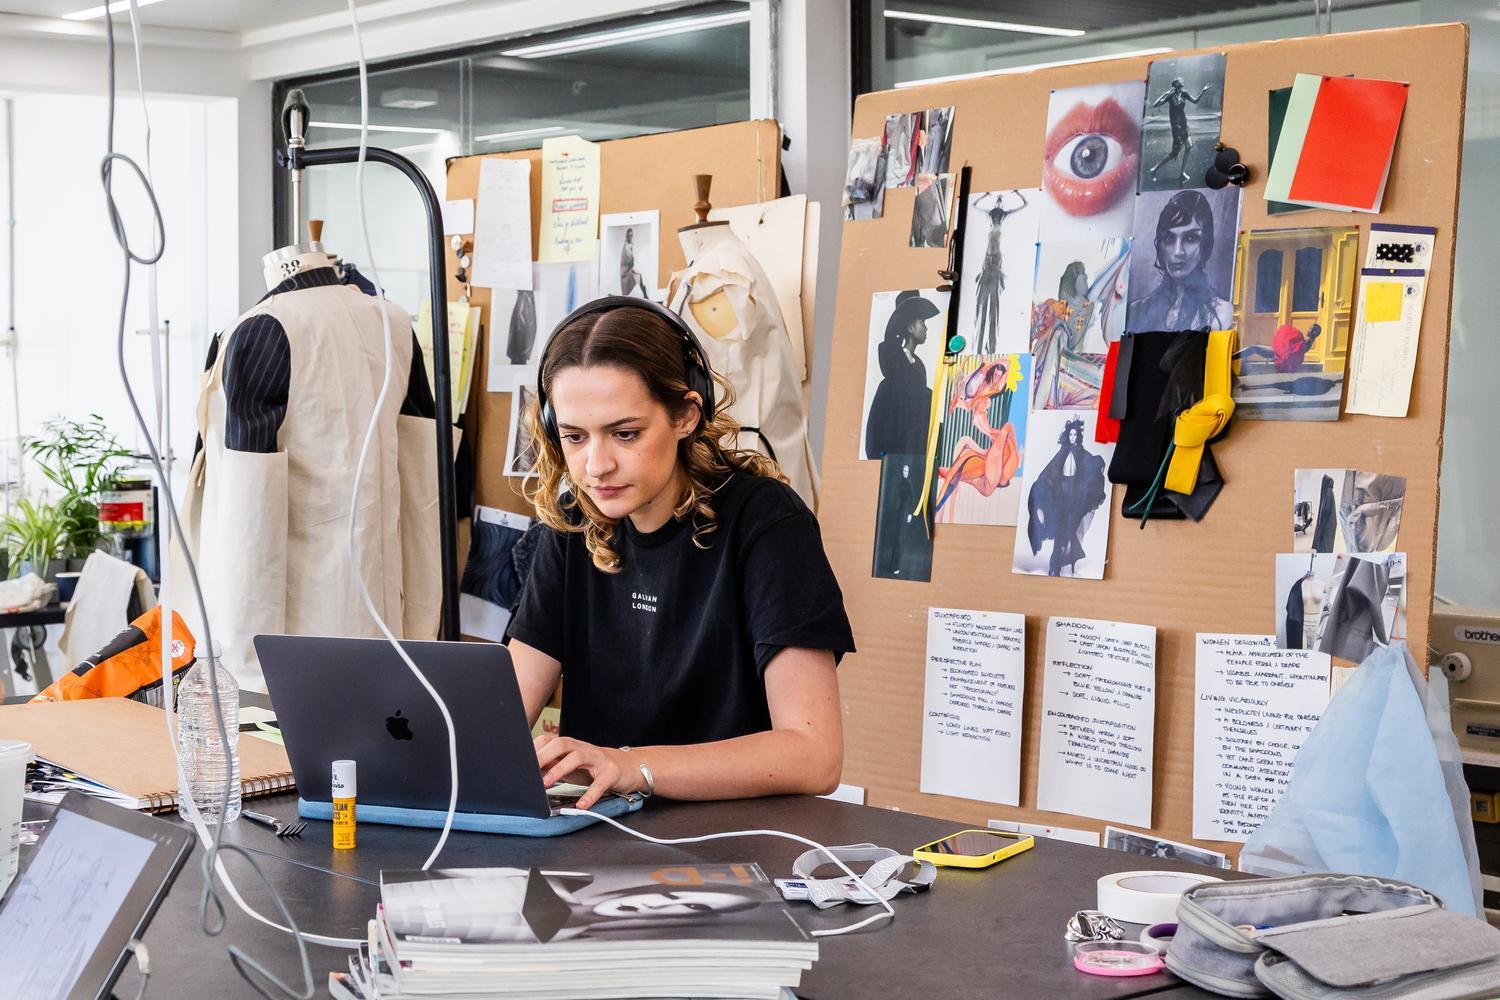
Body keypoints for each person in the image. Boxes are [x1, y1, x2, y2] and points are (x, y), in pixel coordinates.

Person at [506, 298, 854, 810]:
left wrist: (629, 766)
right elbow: (501, 713)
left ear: (687, 415)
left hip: (730, 845)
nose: (596, 465)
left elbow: (814, 754)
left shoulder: (767, 522)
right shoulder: (573, 522)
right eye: (574, 438)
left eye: (625, 434)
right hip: (597, 838)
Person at [1128, 189, 1232, 333]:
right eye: (1169, 239)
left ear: (1206, 243)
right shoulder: (1137, 311)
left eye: (1190, 238)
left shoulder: (1222, 313)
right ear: (1160, 245)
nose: (1178, 252)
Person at [934, 358, 1022, 516]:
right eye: (997, 371)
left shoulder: (990, 473)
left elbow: (1006, 367)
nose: (998, 374)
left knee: (964, 458)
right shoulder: (984, 388)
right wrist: (991, 365)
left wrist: (990, 366)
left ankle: (938, 502)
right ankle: (938, 502)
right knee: (968, 454)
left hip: (984, 431)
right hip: (984, 428)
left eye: (1000, 372)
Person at [1025, 417, 1108, 576]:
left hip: (1074, 497)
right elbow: (1049, 472)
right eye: (1070, 435)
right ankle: (1056, 567)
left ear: (1078, 436)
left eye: (1075, 435)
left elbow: (1091, 464)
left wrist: (1099, 465)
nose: (1072, 438)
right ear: (1067, 436)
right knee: (1061, 532)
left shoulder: (1082, 453)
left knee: (1069, 531)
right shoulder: (1061, 453)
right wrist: (1042, 485)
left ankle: (1062, 566)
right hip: (1061, 497)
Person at [864, 290, 939, 460]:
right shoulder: (891, 381)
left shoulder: (918, 367)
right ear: (910, 327)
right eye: (922, 322)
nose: (926, 328)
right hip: (894, 457)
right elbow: (877, 430)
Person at [971, 190, 1028, 354]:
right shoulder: (990, 215)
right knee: (981, 304)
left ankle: (991, 346)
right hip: (987, 260)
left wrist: (1017, 193)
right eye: (998, 201)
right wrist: (985, 195)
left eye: (1001, 201)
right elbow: (974, 205)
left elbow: (1023, 205)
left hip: (996, 261)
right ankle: (979, 344)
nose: (999, 203)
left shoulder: (1003, 215)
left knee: (994, 306)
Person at [1148, 77, 1214, 186]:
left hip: (1184, 123)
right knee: (1174, 153)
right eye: (1179, 80)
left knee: (1189, 146)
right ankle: (1154, 169)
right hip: (1176, 127)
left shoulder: (1184, 93)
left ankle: (1182, 172)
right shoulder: (1169, 96)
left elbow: (1195, 101)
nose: (1182, 81)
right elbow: (1155, 105)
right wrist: (1165, 94)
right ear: (1175, 84)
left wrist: (1203, 91)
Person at [618, 228, 650, 299]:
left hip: (629, 270)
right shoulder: (626, 247)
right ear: (627, 236)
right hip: (626, 273)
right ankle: (645, 296)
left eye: (631, 235)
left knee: (639, 277)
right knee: (638, 278)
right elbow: (630, 261)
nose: (630, 237)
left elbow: (631, 261)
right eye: (629, 235)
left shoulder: (628, 245)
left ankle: (645, 296)